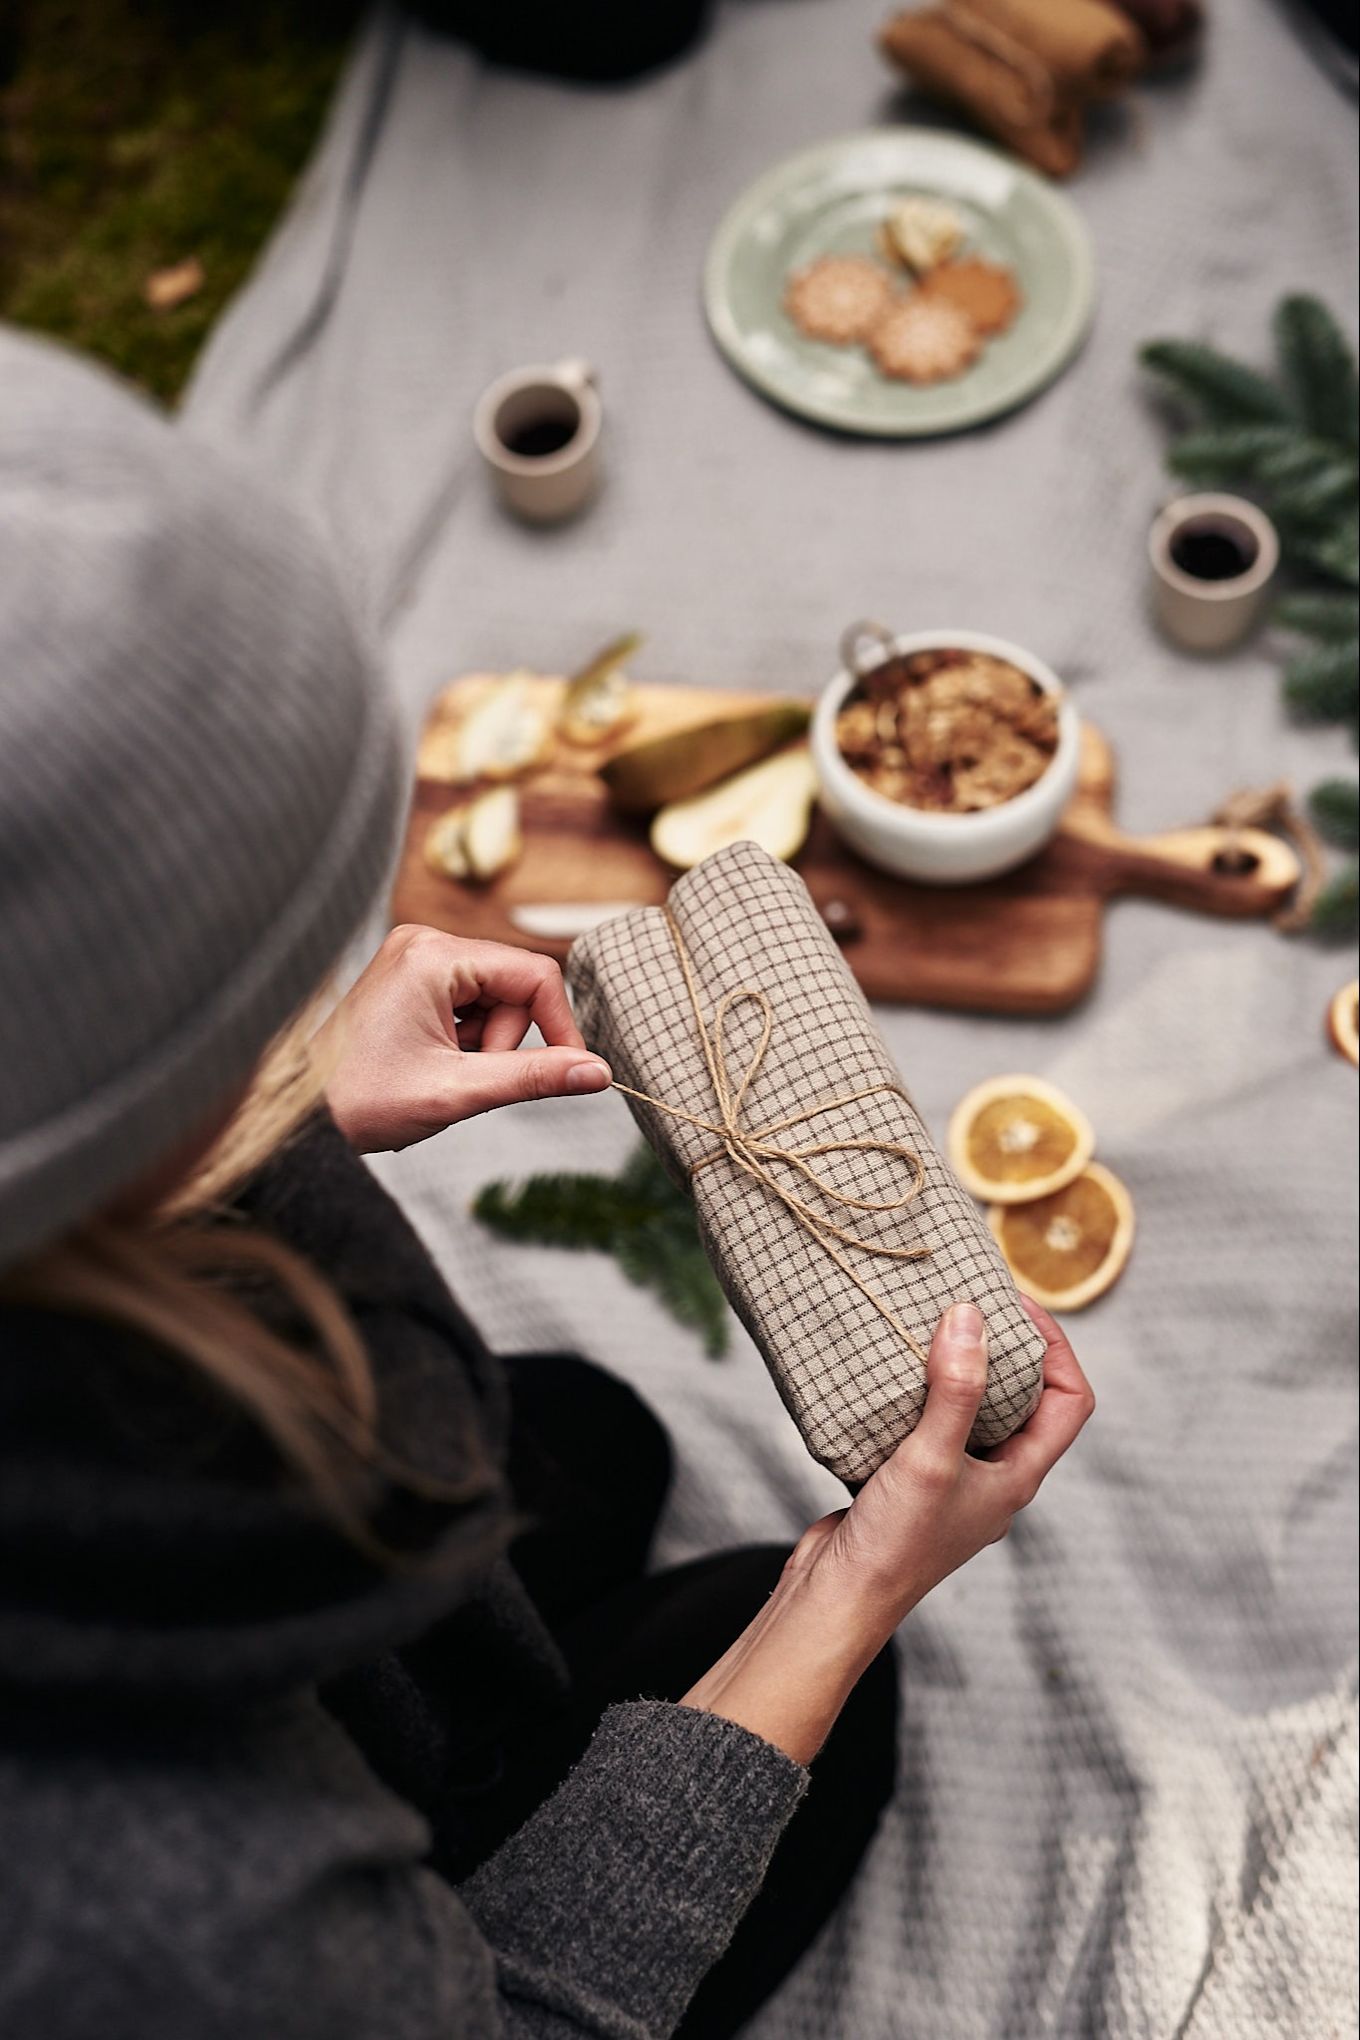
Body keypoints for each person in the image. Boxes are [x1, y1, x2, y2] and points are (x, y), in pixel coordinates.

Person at [0, 327, 1094, 2040]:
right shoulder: (152, 1910)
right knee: (830, 1692)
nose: (294, 1037)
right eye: (249, 1019)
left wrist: (279, 1114)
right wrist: (842, 1595)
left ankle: (486, 1699)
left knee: (589, 1434)